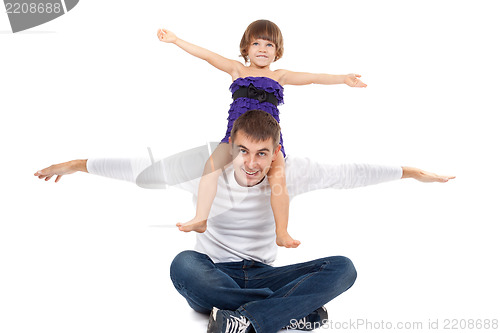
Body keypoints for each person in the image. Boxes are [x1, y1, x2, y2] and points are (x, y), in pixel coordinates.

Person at [34, 110, 454, 333]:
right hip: (213, 273)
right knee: (182, 264)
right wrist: (76, 164)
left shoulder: (290, 172)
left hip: (265, 273)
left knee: (344, 267)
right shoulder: (206, 167)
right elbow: (141, 167)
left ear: (275, 153)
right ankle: (291, 313)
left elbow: (351, 172)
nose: (251, 164)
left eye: (262, 154)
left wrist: (411, 172)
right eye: (243, 152)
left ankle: (246, 321)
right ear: (231, 148)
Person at [157, 19, 367, 248]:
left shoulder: (280, 76)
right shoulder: (237, 69)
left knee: (278, 179)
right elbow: (208, 55)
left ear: (277, 51)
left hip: (268, 140)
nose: (262, 49)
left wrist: (342, 79)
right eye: (256, 44)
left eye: (269, 45)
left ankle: (282, 232)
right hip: (235, 136)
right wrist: (176, 40)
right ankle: (200, 218)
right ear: (246, 48)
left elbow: (313, 78)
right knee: (210, 167)